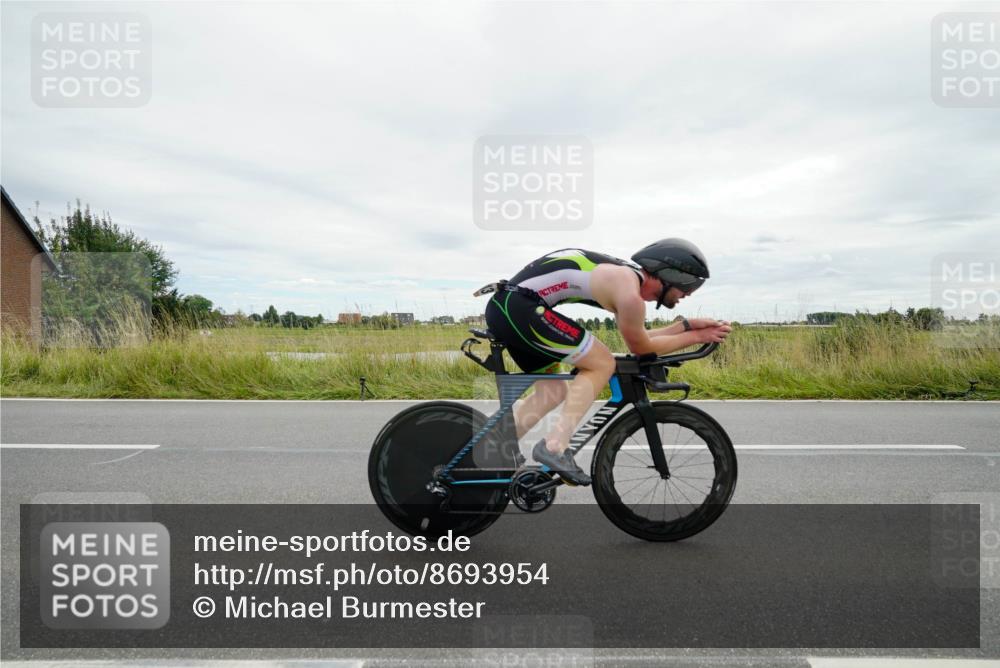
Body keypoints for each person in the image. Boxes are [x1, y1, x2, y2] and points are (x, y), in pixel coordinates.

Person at [481, 238, 731, 486]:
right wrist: (696, 336)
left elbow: (639, 338)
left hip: (511, 308)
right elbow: (642, 348)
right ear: (670, 274)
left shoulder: (626, 281)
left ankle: (495, 450)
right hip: (519, 308)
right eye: (688, 287)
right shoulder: (629, 292)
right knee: (602, 363)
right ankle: (555, 447)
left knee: (553, 391)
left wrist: (684, 327)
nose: (687, 294)